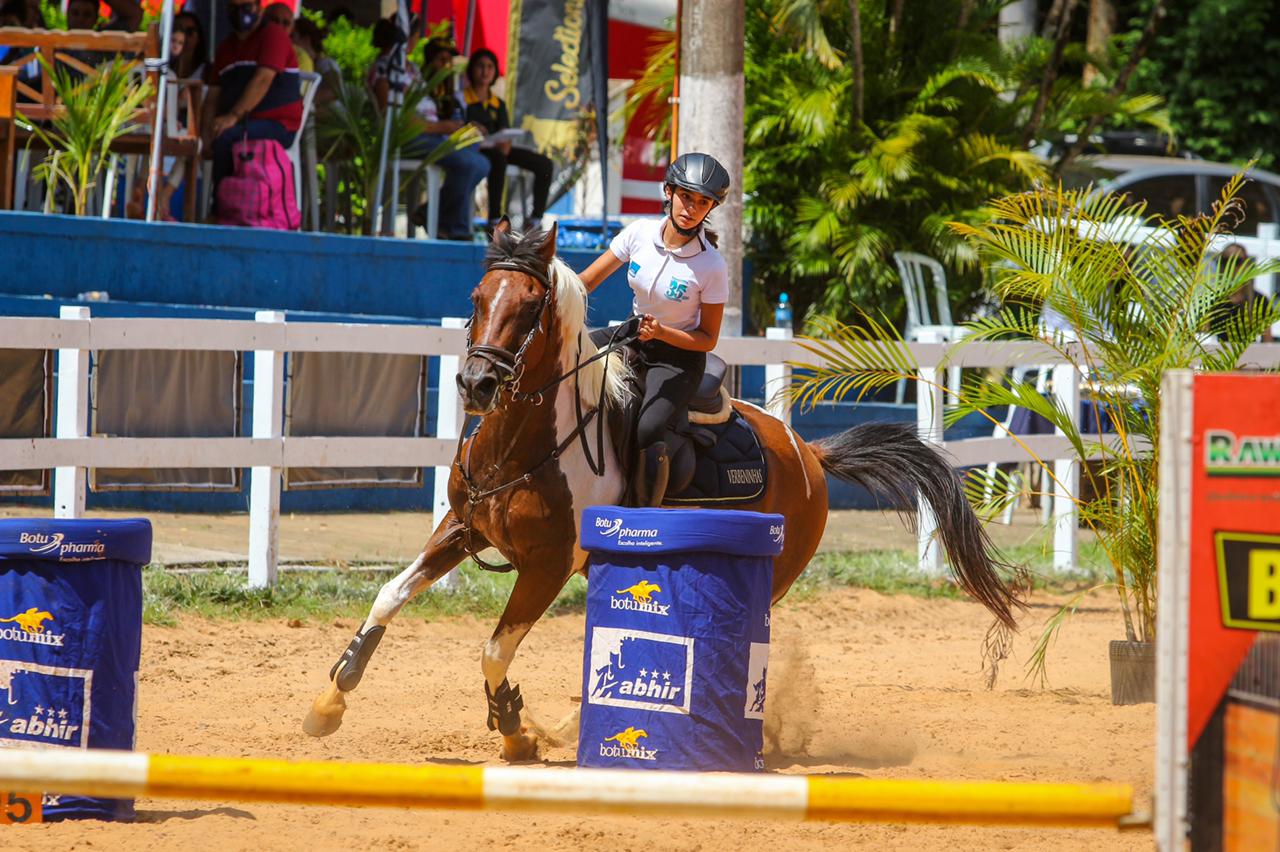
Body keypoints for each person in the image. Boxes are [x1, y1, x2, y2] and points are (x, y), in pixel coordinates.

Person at [578, 152, 731, 506]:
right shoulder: (638, 233)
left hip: (679, 357)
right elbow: (587, 281)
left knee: (649, 428)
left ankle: (644, 517)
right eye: (686, 197)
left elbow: (708, 339)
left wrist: (662, 333)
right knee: (570, 360)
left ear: (710, 208)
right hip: (635, 334)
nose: (691, 208)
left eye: (702, 202)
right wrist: (549, 290)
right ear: (668, 191)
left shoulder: (712, 265)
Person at [368, 30, 486, 240]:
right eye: (442, 59)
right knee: (469, 162)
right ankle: (454, 229)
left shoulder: (411, 68)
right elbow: (396, 118)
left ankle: (433, 212)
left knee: (481, 161)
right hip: (411, 137)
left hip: (435, 134)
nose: (447, 64)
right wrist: (443, 127)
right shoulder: (387, 68)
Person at [203, 0, 303, 204]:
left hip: (278, 124)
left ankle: (220, 209)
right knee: (202, 141)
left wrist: (233, 116)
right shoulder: (226, 47)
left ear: (259, 8)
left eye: (246, 6)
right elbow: (213, 96)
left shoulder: (273, 35)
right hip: (243, 123)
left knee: (227, 138)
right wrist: (204, 135)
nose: (240, 13)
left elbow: (263, 79)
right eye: (234, 7)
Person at [463, 47, 553, 231]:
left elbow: (504, 135)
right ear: (472, 69)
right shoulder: (463, 98)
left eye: (490, 67)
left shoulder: (498, 103)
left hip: (498, 148)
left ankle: (535, 221)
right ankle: (494, 218)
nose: (485, 71)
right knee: (498, 159)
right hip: (476, 150)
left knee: (544, 164)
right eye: (480, 66)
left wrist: (505, 141)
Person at [1209, 244, 1275, 344]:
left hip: (1251, 357)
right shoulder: (1213, 300)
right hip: (1219, 356)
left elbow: (1267, 341)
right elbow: (1199, 336)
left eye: (1237, 261)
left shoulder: (1259, 300)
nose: (1231, 267)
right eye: (1226, 261)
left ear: (1246, 265)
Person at [172, 11, 208, 80]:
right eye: (177, 30)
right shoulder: (162, 70)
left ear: (198, 37)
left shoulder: (208, 72)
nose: (184, 37)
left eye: (190, 31)